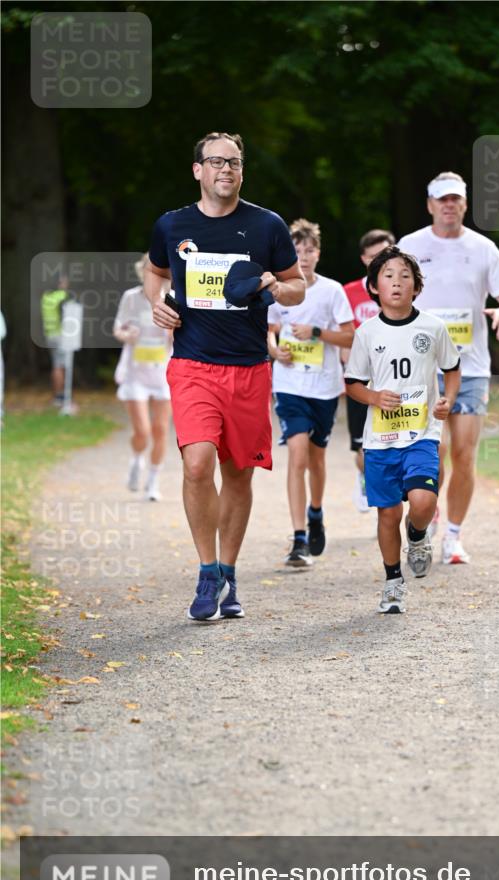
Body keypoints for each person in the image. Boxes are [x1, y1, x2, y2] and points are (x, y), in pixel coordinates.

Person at [144, 131, 305, 622]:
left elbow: (298, 286)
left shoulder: (267, 225)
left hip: (250, 368)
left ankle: (229, 571)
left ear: (242, 170)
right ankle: (207, 569)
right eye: (215, 162)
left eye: (233, 163)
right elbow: (154, 272)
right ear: (198, 170)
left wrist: (274, 286)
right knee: (197, 465)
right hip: (193, 364)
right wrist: (156, 302)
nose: (225, 170)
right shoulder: (172, 226)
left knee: (238, 473)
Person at [398, 172, 499, 564]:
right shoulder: (411, 245)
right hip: (423, 367)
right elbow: (391, 293)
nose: (449, 205)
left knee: (465, 455)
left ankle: (453, 535)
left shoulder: (483, 248)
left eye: (455, 199)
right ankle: (426, 517)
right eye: (442, 200)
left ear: (465, 204)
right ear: (430, 205)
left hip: (470, 367)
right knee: (430, 453)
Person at [345, 246, 461, 614]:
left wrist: (448, 400)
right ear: (375, 286)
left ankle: (418, 534)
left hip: (422, 432)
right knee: (388, 513)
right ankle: (393, 581)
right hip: (380, 438)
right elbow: (353, 384)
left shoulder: (433, 327)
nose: (397, 282)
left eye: (405, 276)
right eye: (389, 276)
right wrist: (375, 397)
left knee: (424, 501)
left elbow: (452, 368)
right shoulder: (366, 332)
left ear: (416, 286)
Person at [268, 218, 354, 567]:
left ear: (318, 253)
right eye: (297, 250)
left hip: (324, 386)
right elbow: (269, 330)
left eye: (309, 250)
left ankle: (316, 511)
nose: (303, 256)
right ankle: (298, 538)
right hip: (289, 385)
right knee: (298, 453)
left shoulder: (332, 291)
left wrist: (317, 333)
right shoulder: (278, 289)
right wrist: (275, 351)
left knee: (317, 458)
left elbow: (350, 336)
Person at [342, 228, 395, 512]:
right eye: (374, 256)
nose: (381, 261)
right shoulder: (348, 292)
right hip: (361, 380)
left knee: (392, 442)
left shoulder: (402, 289)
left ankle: (388, 498)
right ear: (364, 259)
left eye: (386, 254)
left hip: (394, 378)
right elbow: (343, 336)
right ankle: (364, 476)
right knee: (362, 449)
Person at [113, 253, 173, 500]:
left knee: (160, 430)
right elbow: (118, 329)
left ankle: (153, 482)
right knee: (143, 431)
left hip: (163, 373)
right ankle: (137, 460)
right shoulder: (131, 298)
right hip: (136, 373)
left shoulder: (176, 299)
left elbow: (185, 335)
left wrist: (174, 333)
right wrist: (127, 335)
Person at [40, 274, 71, 406]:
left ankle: (58, 394)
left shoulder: (46, 297)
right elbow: (68, 317)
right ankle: (61, 396)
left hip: (49, 335)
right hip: (61, 335)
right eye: (65, 282)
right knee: (61, 366)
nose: (67, 284)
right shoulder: (63, 297)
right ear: (60, 284)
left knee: (56, 365)